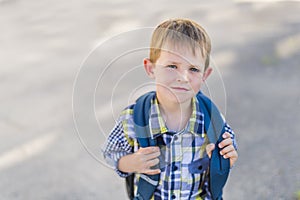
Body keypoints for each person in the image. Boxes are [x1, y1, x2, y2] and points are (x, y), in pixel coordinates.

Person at [103, 18, 238, 199]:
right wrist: (131, 163)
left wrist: (227, 158)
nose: (183, 77)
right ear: (151, 69)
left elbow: (228, 152)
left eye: (193, 69)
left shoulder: (212, 119)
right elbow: (111, 154)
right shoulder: (133, 119)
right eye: (172, 66)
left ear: (205, 75)